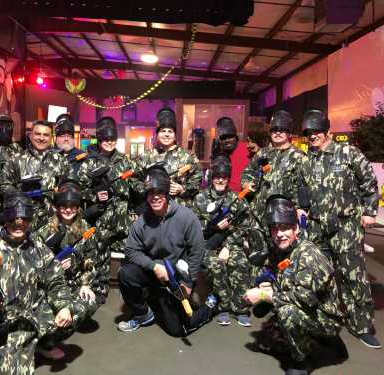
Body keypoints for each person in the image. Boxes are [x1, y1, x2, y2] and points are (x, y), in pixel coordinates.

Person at [0, 192, 82, 373]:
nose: (19, 225)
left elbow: (56, 281)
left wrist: (64, 307)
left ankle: (41, 344)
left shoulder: (38, 248)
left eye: (24, 220)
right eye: (14, 220)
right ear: (5, 220)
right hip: (4, 324)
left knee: (78, 308)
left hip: (34, 316)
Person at [298, 108, 381, 349]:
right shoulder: (307, 158)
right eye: (308, 132)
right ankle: (326, 320)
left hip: (346, 226)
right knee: (320, 275)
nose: (312, 136)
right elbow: (302, 188)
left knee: (353, 276)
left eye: (316, 131)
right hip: (317, 226)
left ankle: (361, 326)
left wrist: (369, 212)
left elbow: (369, 181)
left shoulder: (348, 152)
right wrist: (301, 207)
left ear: (327, 131)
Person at [244, 196, 343, 375]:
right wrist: (271, 288)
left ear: (296, 228)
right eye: (275, 229)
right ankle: (318, 341)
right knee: (270, 335)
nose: (279, 234)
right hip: (314, 308)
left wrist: (265, 295)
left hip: (326, 317)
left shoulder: (308, 255)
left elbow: (305, 298)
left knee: (286, 312)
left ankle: (301, 361)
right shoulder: (286, 249)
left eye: (285, 228)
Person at [118, 167, 215, 337]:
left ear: (167, 193)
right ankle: (144, 315)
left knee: (178, 330)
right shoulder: (141, 222)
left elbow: (197, 251)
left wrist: (189, 282)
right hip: (155, 272)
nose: (155, 197)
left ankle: (211, 306)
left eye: (159, 192)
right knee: (125, 273)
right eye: (150, 193)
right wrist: (154, 266)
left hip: (177, 276)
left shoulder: (186, 217)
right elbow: (131, 251)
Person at [193, 156, 266, 327]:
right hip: (206, 244)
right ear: (211, 177)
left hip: (231, 243)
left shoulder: (237, 199)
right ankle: (223, 306)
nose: (220, 180)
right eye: (217, 176)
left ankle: (240, 308)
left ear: (228, 178)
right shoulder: (200, 198)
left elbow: (243, 227)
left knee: (240, 262)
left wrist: (228, 246)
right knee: (216, 265)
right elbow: (193, 224)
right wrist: (212, 227)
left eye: (224, 177)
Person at [78, 116, 134, 297]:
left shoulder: (125, 161)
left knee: (134, 254)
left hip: (123, 221)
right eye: (105, 139)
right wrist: (94, 195)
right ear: (99, 140)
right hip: (100, 220)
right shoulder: (89, 162)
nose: (108, 142)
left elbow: (136, 188)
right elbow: (80, 190)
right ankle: (100, 290)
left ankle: (132, 291)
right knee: (99, 255)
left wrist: (135, 211)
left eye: (112, 139)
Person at [36, 181, 104, 323]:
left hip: (75, 283)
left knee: (88, 304)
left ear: (78, 208)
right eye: (64, 206)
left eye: (73, 206)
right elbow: (36, 264)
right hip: (51, 285)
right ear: (57, 207)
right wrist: (55, 266)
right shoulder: (45, 231)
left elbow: (91, 261)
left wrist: (85, 284)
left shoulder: (85, 228)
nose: (68, 210)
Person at [0, 120, 74, 231]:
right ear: (30, 135)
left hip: (52, 221)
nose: (41, 138)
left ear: (51, 137)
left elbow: (70, 186)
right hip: (22, 220)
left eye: (46, 135)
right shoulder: (16, 159)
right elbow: (3, 184)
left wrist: (60, 192)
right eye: (38, 134)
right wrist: (20, 194)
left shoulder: (61, 161)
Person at [241, 110, 304, 225]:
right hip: (258, 215)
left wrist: (299, 210)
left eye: (282, 130)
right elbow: (248, 171)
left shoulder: (299, 156)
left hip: (283, 217)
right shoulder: (262, 153)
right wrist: (246, 183)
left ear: (289, 134)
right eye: (274, 130)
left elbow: (302, 186)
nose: (278, 133)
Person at [132, 107, 202, 209]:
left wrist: (182, 189)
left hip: (179, 209)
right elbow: (134, 178)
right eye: (163, 131)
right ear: (157, 134)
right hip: (152, 209)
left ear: (174, 134)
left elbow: (197, 180)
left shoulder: (188, 156)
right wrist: (146, 188)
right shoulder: (146, 156)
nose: (166, 134)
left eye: (170, 131)